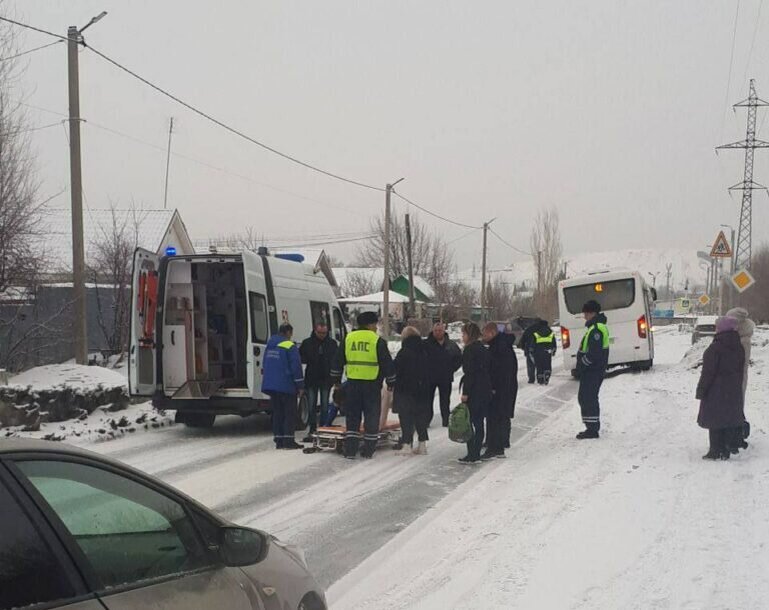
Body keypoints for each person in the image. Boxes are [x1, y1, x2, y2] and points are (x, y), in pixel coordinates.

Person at [331, 311, 396, 459]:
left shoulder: (348, 338)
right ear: (370, 324)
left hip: (353, 384)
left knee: (352, 417)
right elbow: (387, 363)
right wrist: (391, 381)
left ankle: (351, 450)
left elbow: (337, 361)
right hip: (372, 385)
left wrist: (336, 381)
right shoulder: (377, 341)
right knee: (371, 417)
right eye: (375, 324)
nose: (376, 327)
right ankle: (368, 450)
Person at [696, 316, 746, 460]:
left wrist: (701, 390)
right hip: (733, 389)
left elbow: (708, 373)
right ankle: (725, 449)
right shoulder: (739, 346)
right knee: (727, 418)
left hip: (715, 390)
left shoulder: (715, 348)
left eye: (717, 326)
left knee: (715, 420)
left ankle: (715, 450)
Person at [262, 324, 305, 450]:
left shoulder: (270, 345)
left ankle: (279, 440)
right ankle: (288, 441)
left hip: (271, 385)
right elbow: (296, 367)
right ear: (288, 332)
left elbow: (265, 363)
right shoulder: (290, 346)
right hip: (286, 385)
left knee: (277, 413)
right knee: (289, 413)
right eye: (291, 333)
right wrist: (300, 385)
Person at [393, 327, 432, 455]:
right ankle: (422, 445)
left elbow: (395, 369)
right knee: (420, 417)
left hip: (405, 389)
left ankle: (407, 445)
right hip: (423, 389)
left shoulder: (404, 352)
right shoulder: (425, 350)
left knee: (406, 418)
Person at [482, 323, 518, 459]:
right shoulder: (501, 345)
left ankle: (495, 447)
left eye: (485, 334)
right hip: (506, 387)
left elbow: (500, 370)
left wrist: (494, 388)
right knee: (502, 415)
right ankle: (501, 442)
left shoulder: (499, 348)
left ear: (492, 332)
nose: (483, 337)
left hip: (501, 388)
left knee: (495, 417)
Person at [458, 322, 493, 464]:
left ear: (469, 335)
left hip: (474, 391)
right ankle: (477, 452)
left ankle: (471, 453)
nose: (462, 337)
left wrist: (465, 392)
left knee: (470, 423)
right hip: (484, 389)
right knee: (479, 423)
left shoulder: (469, 350)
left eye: (464, 334)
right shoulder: (483, 349)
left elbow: (470, 373)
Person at [576, 300, 610, 439]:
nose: (584, 316)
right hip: (593, 370)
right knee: (586, 397)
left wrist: (583, 365)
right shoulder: (596, 327)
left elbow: (594, 353)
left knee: (588, 398)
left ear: (592, 313)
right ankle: (591, 426)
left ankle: (592, 429)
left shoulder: (596, 329)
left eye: (586, 313)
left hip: (592, 370)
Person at [299, 323, 338, 441]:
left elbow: (335, 360)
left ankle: (322, 427)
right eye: (320, 333)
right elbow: (302, 357)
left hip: (326, 379)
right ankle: (312, 428)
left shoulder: (331, 344)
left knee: (325, 405)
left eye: (324, 333)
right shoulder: (307, 343)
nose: (322, 335)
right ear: (315, 331)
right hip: (312, 378)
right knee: (311, 405)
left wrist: (335, 377)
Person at [726, 307, 755, 451]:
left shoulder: (743, 340)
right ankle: (736, 435)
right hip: (737, 376)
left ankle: (736, 437)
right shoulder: (742, 337)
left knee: (735, 405)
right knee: (736, 405)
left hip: (737, 377)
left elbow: (737, 362)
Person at [425, 322, 463, 426]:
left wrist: (451, 369)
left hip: (445, 378)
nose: (437, 333)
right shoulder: (426, 344)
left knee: (445, 401)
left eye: (440, 330)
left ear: (444, 331)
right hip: (430, 378)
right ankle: (426, 420)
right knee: (428, 401)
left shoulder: (451, 345)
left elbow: (459, 358)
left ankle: (446, 420)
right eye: (435, 331)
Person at [531, 319, 557, 385]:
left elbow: (532, 344)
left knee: (539, 366)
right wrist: (554, 351)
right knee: (547, 365)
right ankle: (547, 376)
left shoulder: (536, 333)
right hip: (547, 352)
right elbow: (554, 343)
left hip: (538, 352)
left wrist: (532, 351)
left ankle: (540, 380)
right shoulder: (550, 332)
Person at [518, 318, 540, 384]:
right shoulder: (541, 329)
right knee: (540, 364)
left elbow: (523, 340)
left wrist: (523, 347)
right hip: (540, 349)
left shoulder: (528, 329)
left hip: (529, 349)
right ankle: (540, 378)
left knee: (530, 365)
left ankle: (531, 378)